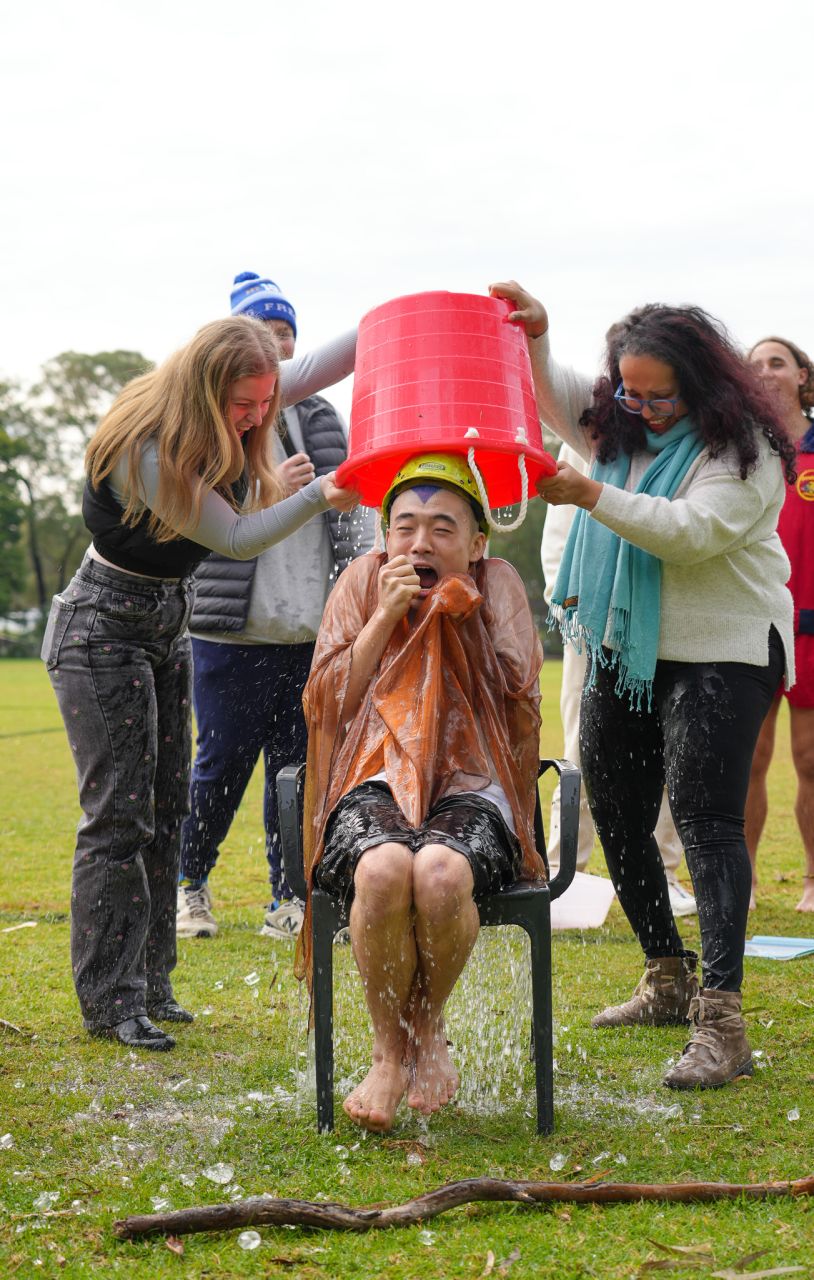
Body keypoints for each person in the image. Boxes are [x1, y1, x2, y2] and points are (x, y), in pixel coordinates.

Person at [491, 280, 796, 1090]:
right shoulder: (617, 424)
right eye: (630, 393)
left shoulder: (747, 450)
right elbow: (557, 400)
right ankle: (666, 976)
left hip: (725, 650)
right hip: (631, 650)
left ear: (702, 385)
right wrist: (538, 335)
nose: (645, 410)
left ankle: (723, 1022)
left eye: (662, 397)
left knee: (705, 820)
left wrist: (592, 494)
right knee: (619, 814)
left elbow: (691, 534)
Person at [41, 315, 357, 1051]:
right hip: (102, 627)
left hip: (166, 620)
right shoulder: (147, 448)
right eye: (245, 405)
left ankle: (152, 984)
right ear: (208, 392)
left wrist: (397, 322)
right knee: (119, 817)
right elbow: (236, 538)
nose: (257, 417)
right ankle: (110, 1000)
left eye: (265, 402)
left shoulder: (243, 396)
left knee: (166, 807)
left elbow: (329, 361)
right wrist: (322, 493)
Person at [297, 453, 545, 1131]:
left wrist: (464, 622)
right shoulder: (362, 579)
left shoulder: (497, 582)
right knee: (381, 870)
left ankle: (427, 1027)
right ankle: (388, 1052)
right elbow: (326, 703)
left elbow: (519, 705)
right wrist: (385, 616)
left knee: (439, 873)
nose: (420, 543)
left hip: (475, 780)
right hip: (371, 775)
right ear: (386, 536)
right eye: (405, 526)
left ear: (476, 543)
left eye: (442, 528)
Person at [176, 274, 373, 942]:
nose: (279, 345)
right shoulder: (212, 422)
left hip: (307, 629)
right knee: (220, 765)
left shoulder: (321, 418)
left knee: (296, 771)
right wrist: (271, 489)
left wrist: (357, 592)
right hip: (230, 632)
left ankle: (289, 897)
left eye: (286, 334)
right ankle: (189, 886)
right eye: (265, 332)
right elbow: (208, 520)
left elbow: (351, 511)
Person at [542, 442, 696, 918]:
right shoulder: (590, 436)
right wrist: (572, 610)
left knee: (671, 748)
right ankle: (564, 871)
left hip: (663, 620)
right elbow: (560, 535)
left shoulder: (691, 439)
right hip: (591, 621)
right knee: (581, 747)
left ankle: (663, 873)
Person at [744, 337, 814, 912]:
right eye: (753, 365)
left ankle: (813, 879)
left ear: (802, 375)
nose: (764, 372)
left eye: (776, 362)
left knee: (810, 760)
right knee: (749, 760)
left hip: (812, 630)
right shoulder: (741, 450)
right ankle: (739, 882)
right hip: (754, 624)